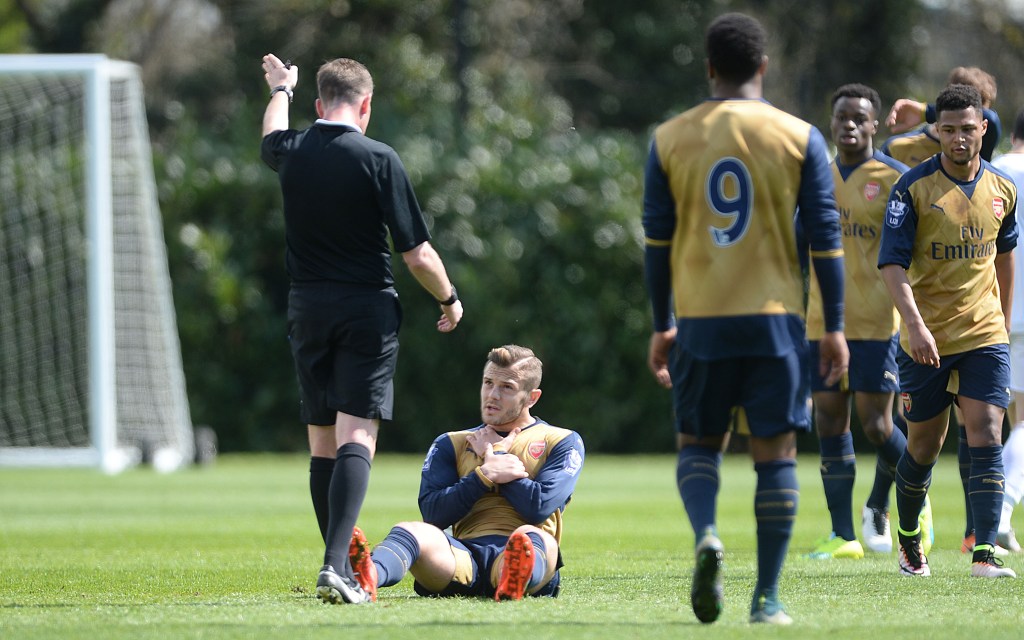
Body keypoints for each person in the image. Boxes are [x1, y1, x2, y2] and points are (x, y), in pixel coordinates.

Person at [643, 13, 848, 625]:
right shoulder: (800, 135)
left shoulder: (670, 137)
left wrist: (662, 322)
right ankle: (767, 599)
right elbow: (827, 241)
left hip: (702, 319)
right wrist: (832, 324)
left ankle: (707, 532)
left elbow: (656, 243)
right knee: (776, 453)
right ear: (763, 66)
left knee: (698, 443)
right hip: (775, 321)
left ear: (709, 67)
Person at [259, 54, 465, 604]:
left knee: (322, 443)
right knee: (357, 436)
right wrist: (449, 298)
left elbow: (271, 134)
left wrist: (282, 88)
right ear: (366, 105)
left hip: (306, 308)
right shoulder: (378, 158)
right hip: (364, 310)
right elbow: (418, 254)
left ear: (321, 103)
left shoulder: (294, 150)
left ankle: (337, 560)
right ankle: (338, 567)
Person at [878, 83, 1018, 579]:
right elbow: (892, 265)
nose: (959, 139)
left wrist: (1000, 317)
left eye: (968, 129)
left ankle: (984, 552)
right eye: (949, 130)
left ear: (984, 128)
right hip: (925, 337)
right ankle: (910, 538)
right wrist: (913, 327)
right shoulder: (912, 188)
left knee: (986, 432)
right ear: (936, 131)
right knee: (924, 447)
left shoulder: (1004, 189)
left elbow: (1004, 255)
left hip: (984, 336)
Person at [343, 345, 584, 602]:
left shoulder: (561, 440)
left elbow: (538, 506)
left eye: (507, 387)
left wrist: (497, 456)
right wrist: (483, 477)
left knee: (532, 537)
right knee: (410, 530)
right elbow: (434, 514)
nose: (492, 394)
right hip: (463, 557)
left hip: (527, 548)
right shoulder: (452, 442)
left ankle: (513, 577)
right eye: (488, 382)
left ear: (532, 397)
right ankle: (368, 576)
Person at [805, 84, 911, 560]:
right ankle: (844, 535)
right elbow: (794, 244)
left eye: (858, 118)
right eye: (841, 116)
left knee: (876, 425)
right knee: (829, 418)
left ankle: (906, 493)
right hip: (822, 322)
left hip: (875, 322)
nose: (849, 124)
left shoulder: (895, 178)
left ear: (874, 124)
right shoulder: (815, 177)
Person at [992, 108, 1024, 553]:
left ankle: (1001, 517)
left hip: (999, 308)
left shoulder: (996, 168)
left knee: (1014, 422)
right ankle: (1001, 509)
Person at [884, 66, 1002, 165]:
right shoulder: (898, 148)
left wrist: (926, 112)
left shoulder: (980, 145)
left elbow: (992, 121)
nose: (960, 138)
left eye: (969, 127)